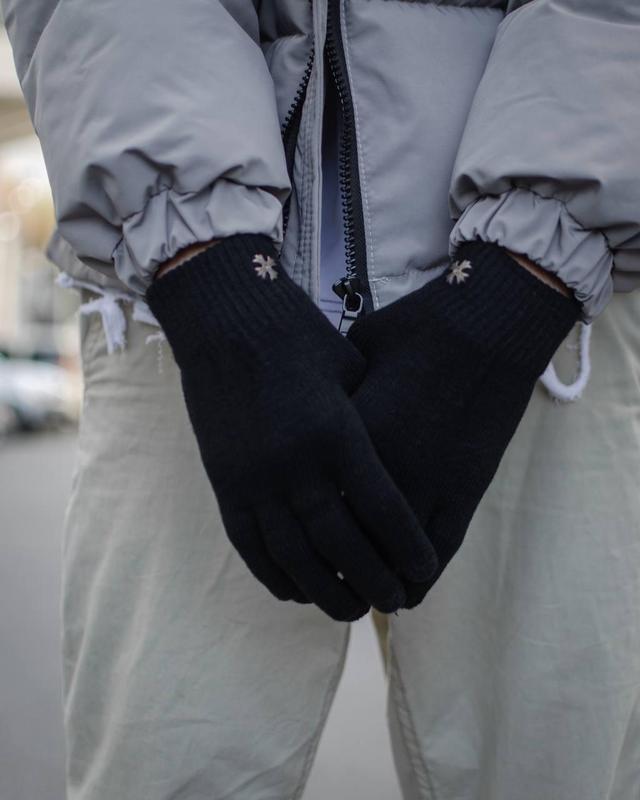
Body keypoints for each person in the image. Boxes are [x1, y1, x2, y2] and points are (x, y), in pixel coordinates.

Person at [3, 1, 639, 798]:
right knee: (165, 769)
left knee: (554, 768)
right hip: (175, 305)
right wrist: (211, 279)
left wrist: (528, 274)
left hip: (558, 309)